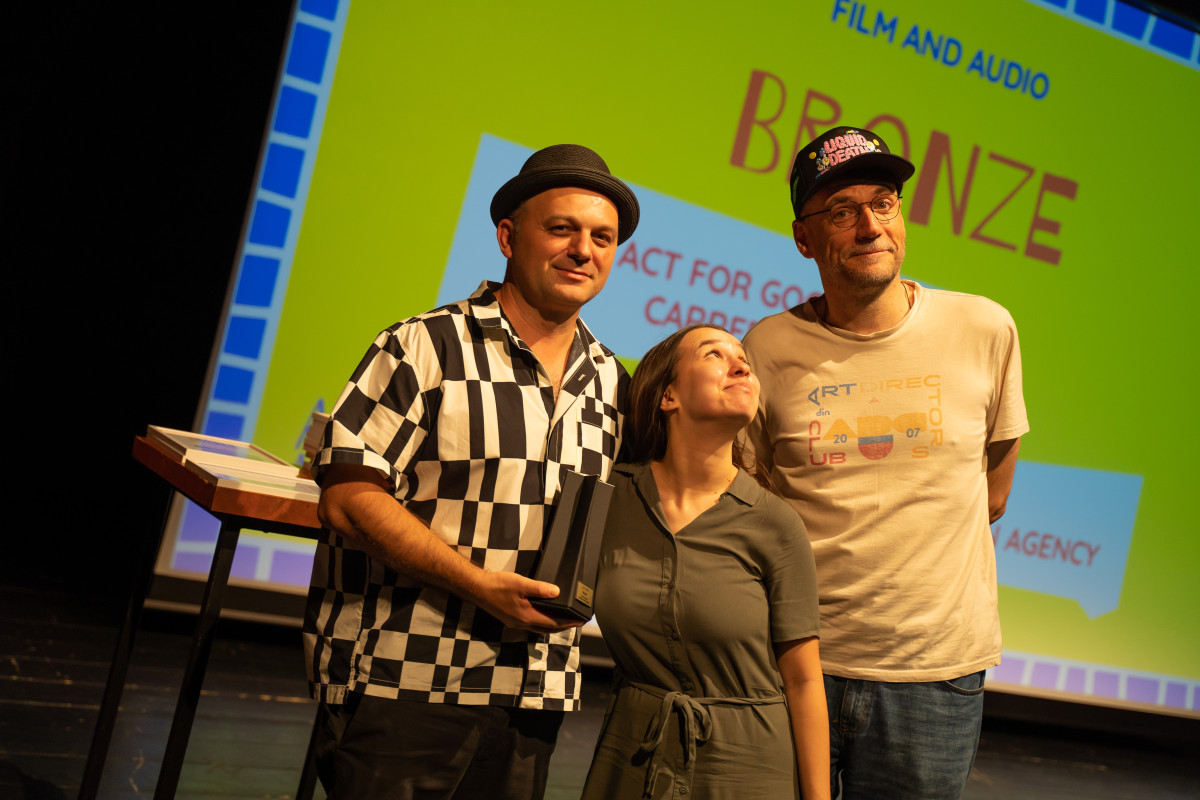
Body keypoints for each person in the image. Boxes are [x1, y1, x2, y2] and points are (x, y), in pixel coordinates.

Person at [302, 144, 639, 799]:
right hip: (405, 677)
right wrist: (479, 585)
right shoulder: (423, 345)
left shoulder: (611, 382)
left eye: (602, 238)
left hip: (533, 691)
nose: (583, 250)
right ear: (508, 237)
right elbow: (347, 497)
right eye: (562, 229)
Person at [742, 126, 1029, 799]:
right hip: (795, 660)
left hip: (933, 675)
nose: (870, 226)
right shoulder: (769, 346)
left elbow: (993, 495)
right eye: (843, 211)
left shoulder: (984, 328)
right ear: (804, 238)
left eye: (884, 203)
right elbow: (750, 502)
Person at [581, 324, 829, 800]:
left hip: (749, 767)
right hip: (633, 754)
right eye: (715, 354)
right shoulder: (611, 497)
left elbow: (802, 681)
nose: (741, 367)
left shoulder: (775, 523)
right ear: (668, 395)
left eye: (744, 362)